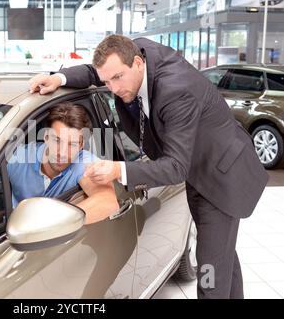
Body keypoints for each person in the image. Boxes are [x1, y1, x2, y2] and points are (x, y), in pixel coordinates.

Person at [29, 34, 268, 299]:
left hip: (221, 176)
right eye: (107, 81)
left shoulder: (176, 91)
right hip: (199, 164)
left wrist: (118, 170)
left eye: (117, 78)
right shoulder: (128, 54)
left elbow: (176, 167)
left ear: (139, 63)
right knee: (222, 258)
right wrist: (59, 78)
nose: (114, 88)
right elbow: (96, 72)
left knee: (210, 273)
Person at [0, 102, 119, 225]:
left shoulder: (85, 163)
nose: (63, 152)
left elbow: (107, 202)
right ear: (46, 137)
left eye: (72, 144)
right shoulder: (18, 157)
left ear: (81, 145)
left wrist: (44, 222)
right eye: (57, 140)